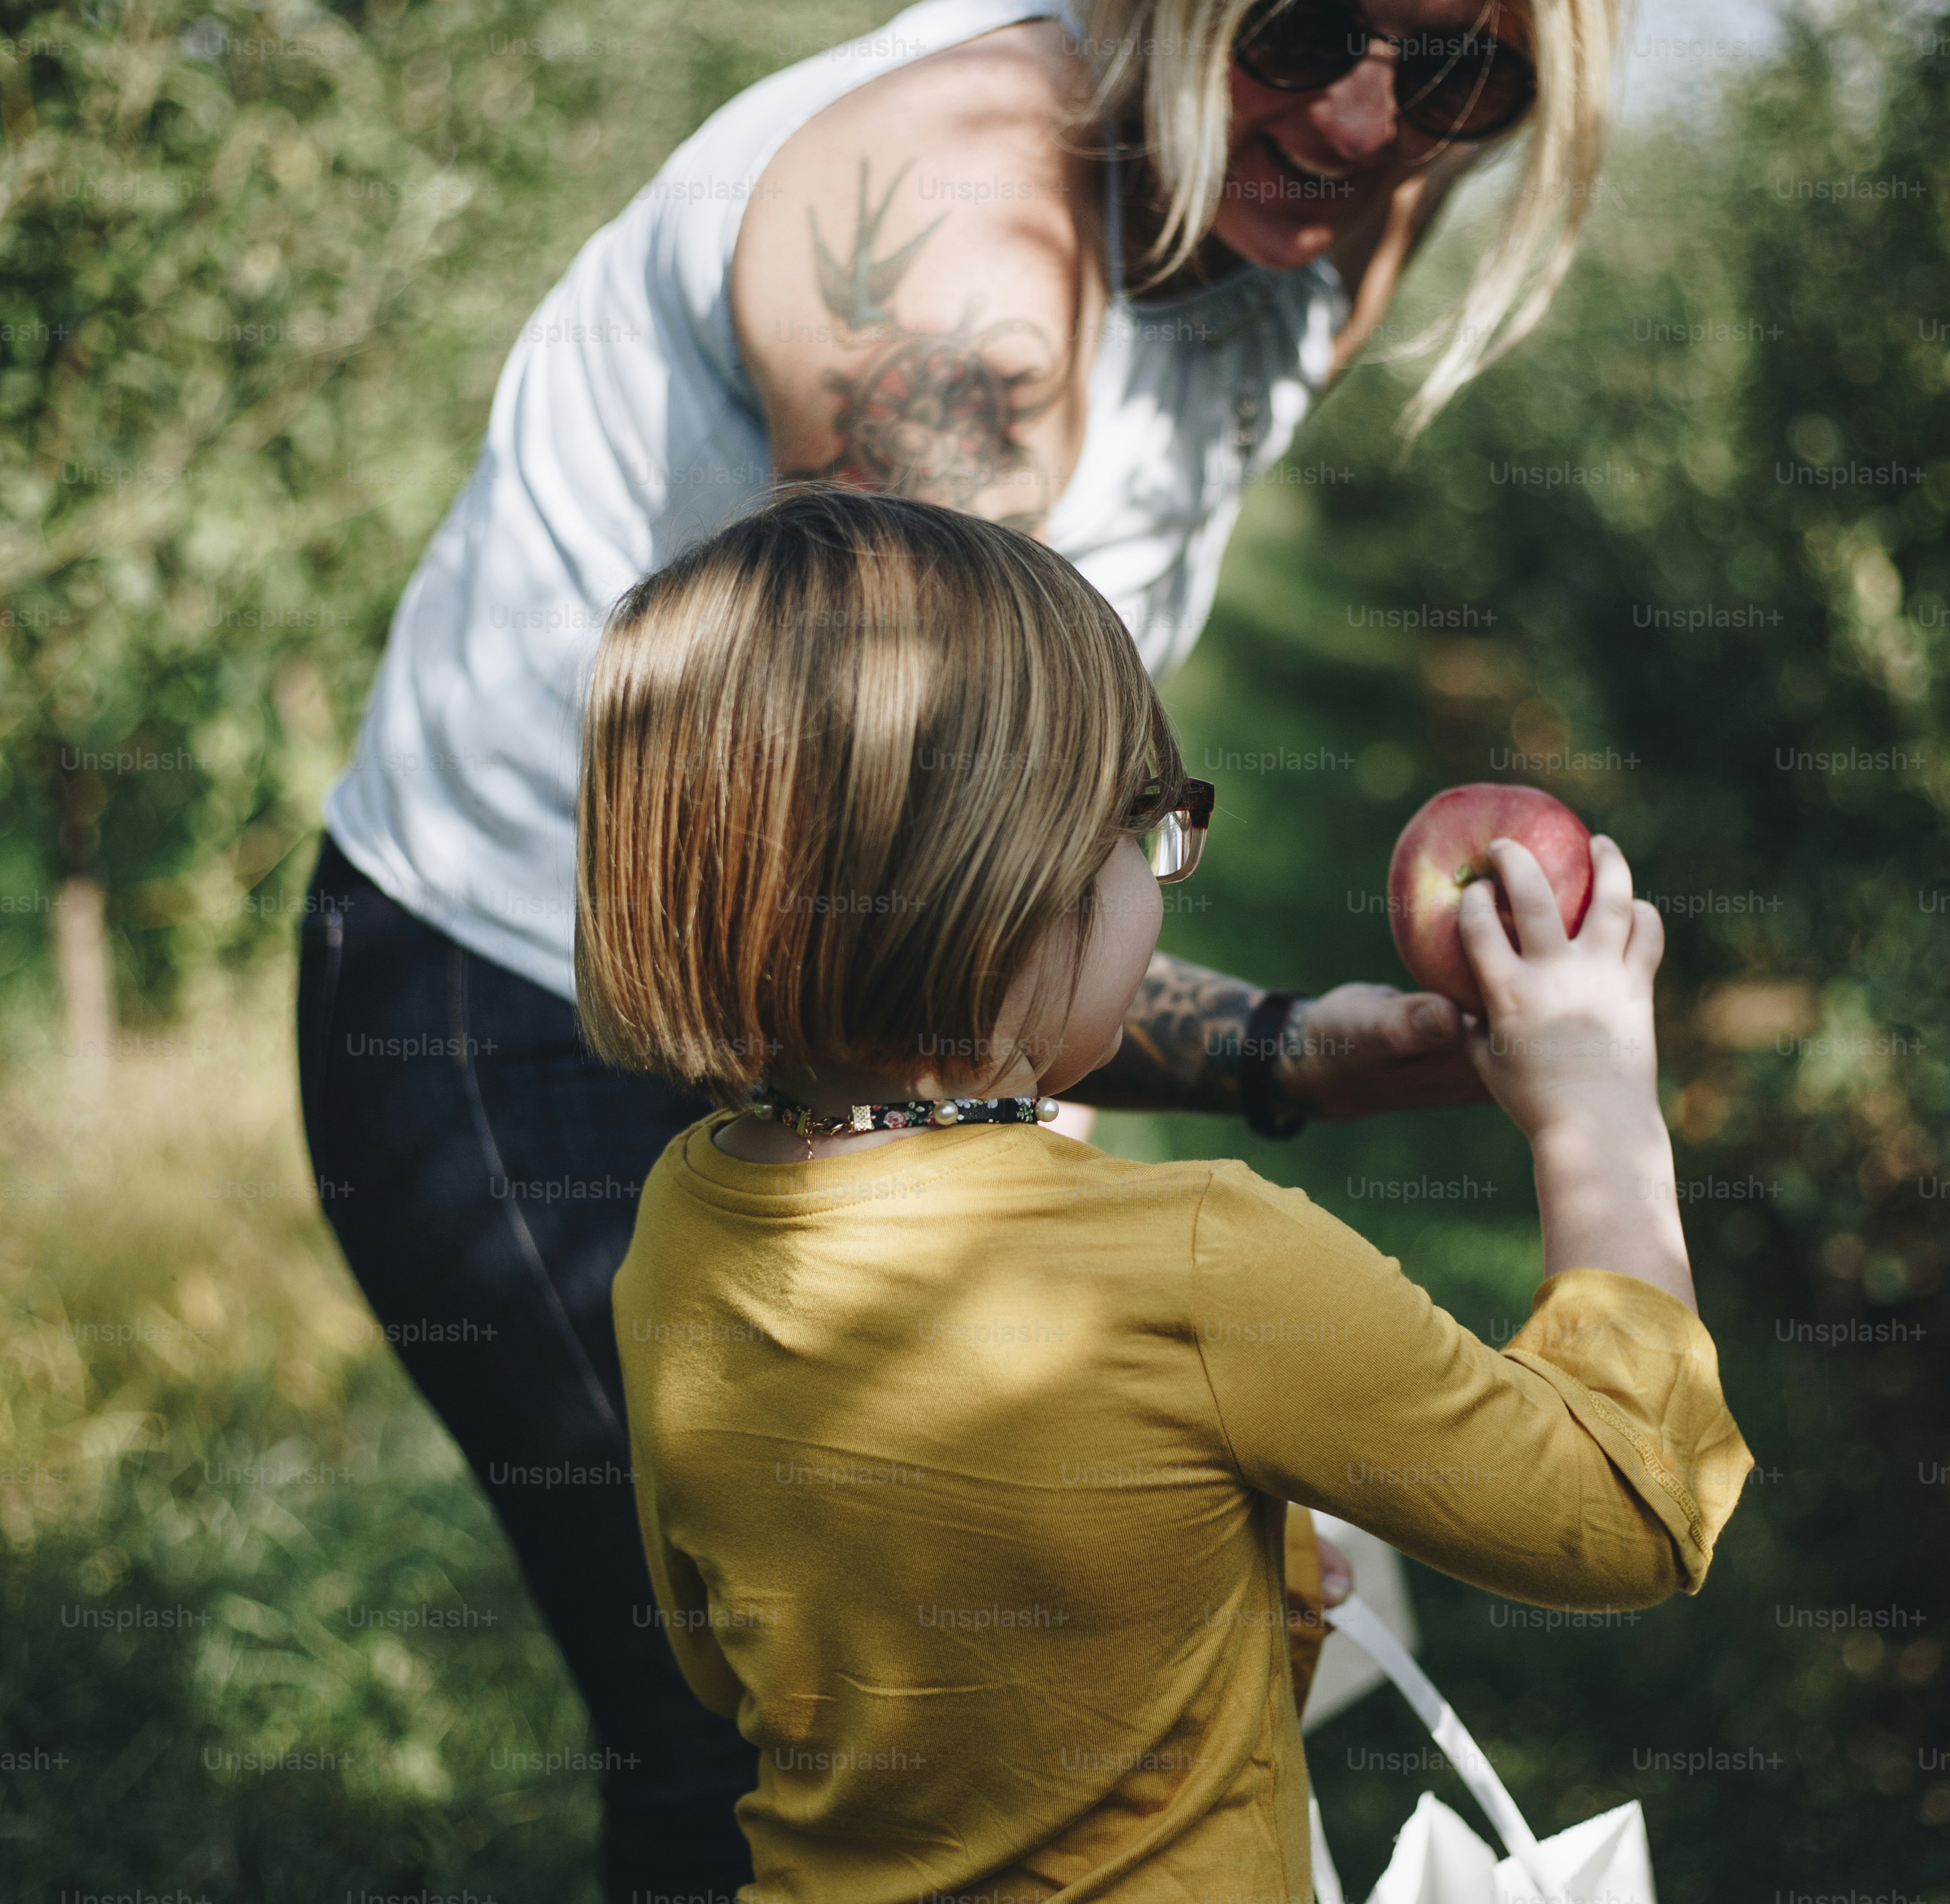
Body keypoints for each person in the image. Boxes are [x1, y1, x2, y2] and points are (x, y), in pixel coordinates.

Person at [294, 0, 1624, 1894]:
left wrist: (1275, 1054)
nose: (1356, 117)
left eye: (1461, 70)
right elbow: (927, 903)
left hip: (883, 1011)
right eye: (1311, 25)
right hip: (527, 994)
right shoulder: (950, 231)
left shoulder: (1329, 185)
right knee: (766, 1722)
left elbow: (977, 950)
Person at [581, 485, 1749, 1901]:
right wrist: (1596, 1109)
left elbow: (726, 1660)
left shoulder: (682, 1223)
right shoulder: (1205, 1263)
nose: (1163, 877)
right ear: (1009, 895)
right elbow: (1626, 1508)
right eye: (1142, 832)